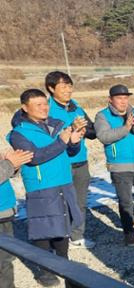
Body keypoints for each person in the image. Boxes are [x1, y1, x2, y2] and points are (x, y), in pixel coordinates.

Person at [8, 89, 84, 287]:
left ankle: (64, 264)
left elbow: (69, 151)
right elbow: (35, 158)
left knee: (63, 225)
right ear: (25, 108)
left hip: (63, 181)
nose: (44, 108)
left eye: (45, 104)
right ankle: (44, 271)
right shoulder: (19, 133)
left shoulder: (55, 125)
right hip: (41, 185)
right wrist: (62, 141)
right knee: (43, 229)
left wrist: (74, 142)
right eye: (38, 105)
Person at [95, 85, 134, 246]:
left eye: (126, 98)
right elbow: (104, 136)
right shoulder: (102, 116)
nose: (123, 101)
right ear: (110, 99)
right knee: (125, 200)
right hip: (119, 166)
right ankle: (128, 232)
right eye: (119, 98)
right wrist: (126, 128)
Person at [45, 71, 97, 249]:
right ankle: (58, 241)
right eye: (63, 86)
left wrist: (84, 131)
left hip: (81, 161)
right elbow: (48, 139)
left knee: (80, 202)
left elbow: (93, 132)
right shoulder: (46, 110)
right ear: (51, 88)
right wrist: (71, 129)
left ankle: (77, 236)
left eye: (70, 85)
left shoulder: (76, 106)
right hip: (59, 163)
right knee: (59, 204)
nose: (68, 90)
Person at [0, 148, 33, 288]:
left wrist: (15, 165)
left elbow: (5, 173)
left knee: (6, 259)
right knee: (3, 262)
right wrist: (9, 164)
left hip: (5, 211)